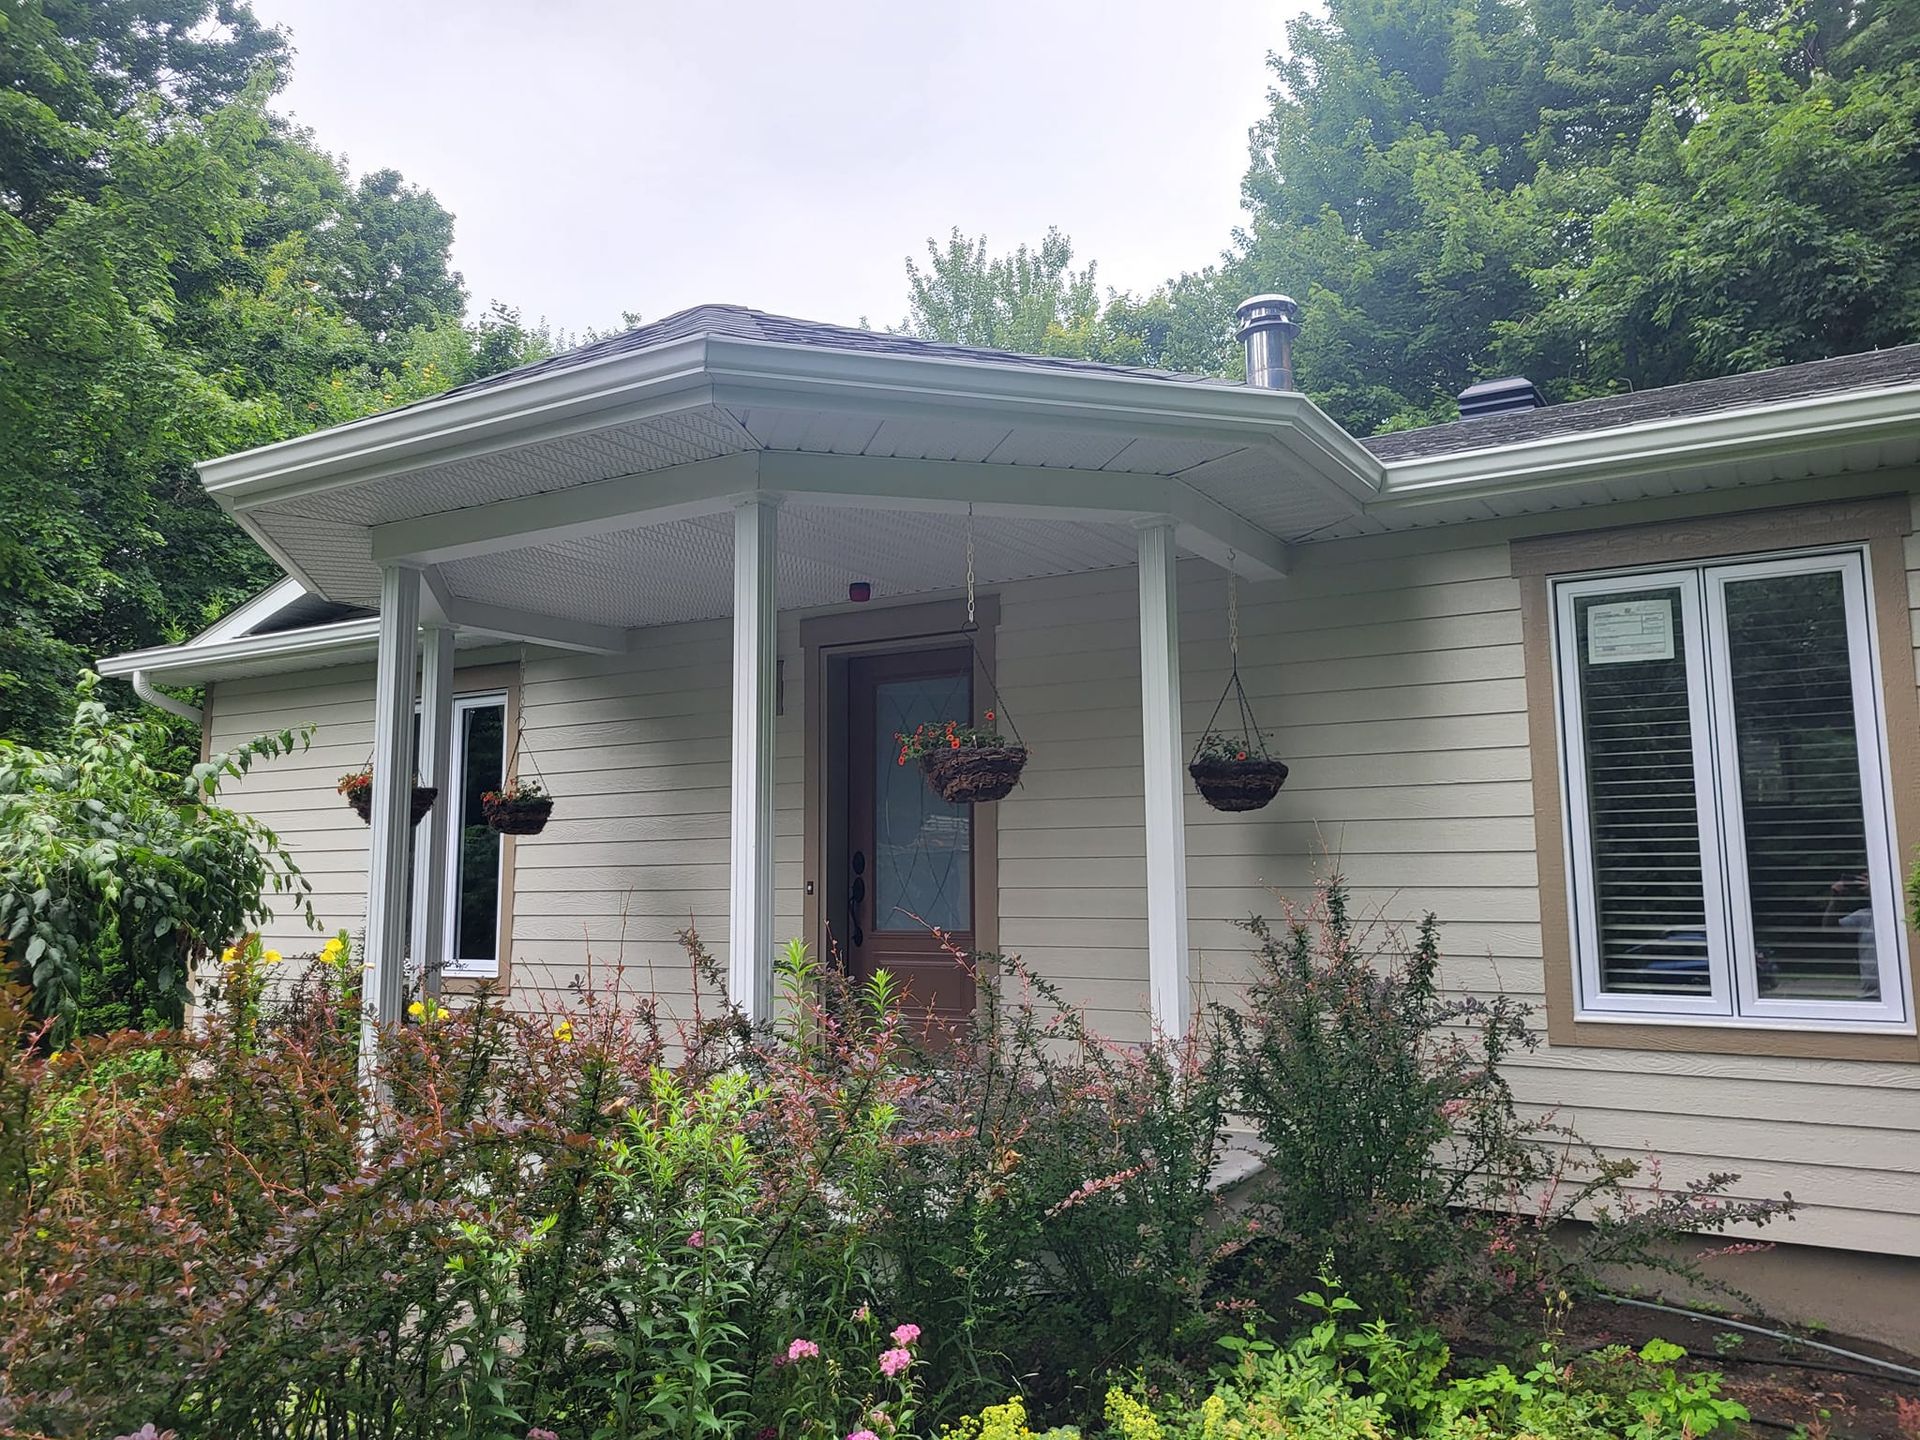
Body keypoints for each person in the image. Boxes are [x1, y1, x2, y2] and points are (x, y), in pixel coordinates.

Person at [1823, 872, 1880, 999]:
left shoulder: (1899, 915)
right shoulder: (1864, 916)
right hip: (1870, 994)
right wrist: (1836, 898)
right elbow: (1829, 928)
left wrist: (1877, 889)